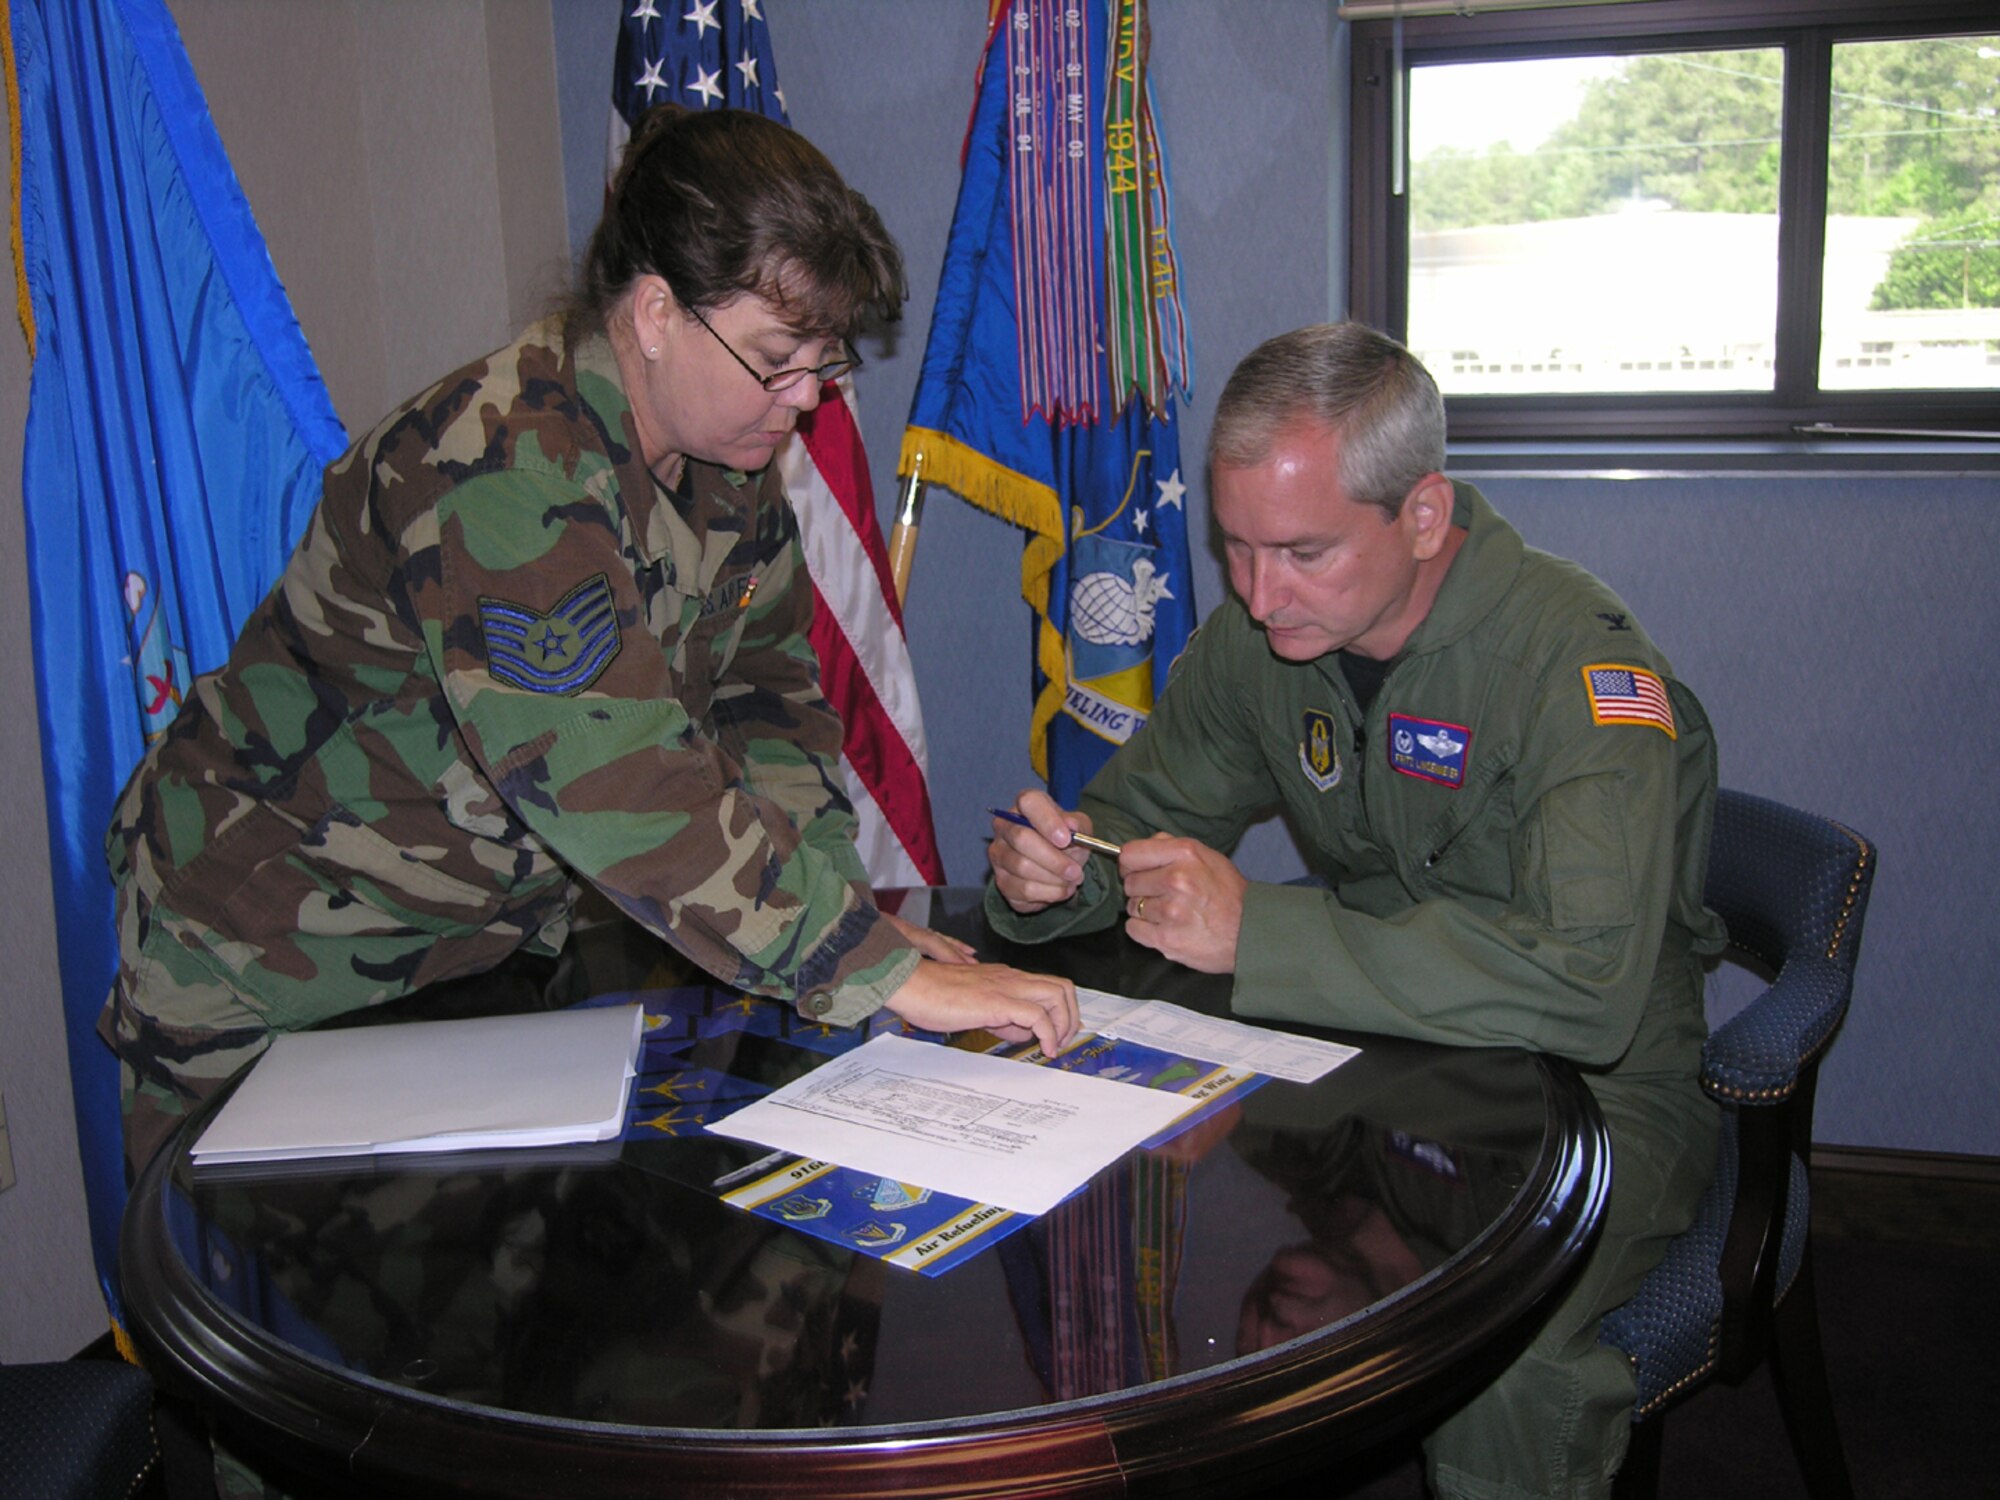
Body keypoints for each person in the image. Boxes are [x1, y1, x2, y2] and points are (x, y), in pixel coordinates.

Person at [102, 104, 1078, 1182]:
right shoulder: (502, 467)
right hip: (271, 968)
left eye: (822, 363)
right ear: (656, 311)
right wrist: (861, 964)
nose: (804, 402)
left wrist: (843, 912)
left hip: (465, 961)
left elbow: (766, 705)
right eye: (774, 359)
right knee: (283, 1323)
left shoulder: (730, 472)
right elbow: (617, 775)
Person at [987, 322, 1723, 1500]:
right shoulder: (1265, 643)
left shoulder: (1574, 675)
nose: (1255, 592)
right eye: (1231, 548)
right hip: (1378, 1047)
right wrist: (1051, 876)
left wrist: (1258, 935)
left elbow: (1586, 990)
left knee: (1501, 1349)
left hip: (1598, 1086)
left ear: (1421, 516)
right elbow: (1135, 826)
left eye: (1300, 552)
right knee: (1103, 1190)